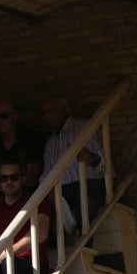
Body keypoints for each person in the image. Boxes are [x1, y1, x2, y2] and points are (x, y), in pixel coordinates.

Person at [40, 95, 105, 234]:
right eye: (44, 112)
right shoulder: (50, 143)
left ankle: (85, 245)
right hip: (63, 191)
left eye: (50, 110)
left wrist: (92, 158)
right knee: (43, 210)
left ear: (64, 109)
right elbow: (46, 175)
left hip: (89, 185)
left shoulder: (85, 127)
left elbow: (105, 163)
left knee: (85, 203)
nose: (46, 116)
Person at [0, 102, 44, 194]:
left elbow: (32, 177)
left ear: (15, 118)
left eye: (4, 116)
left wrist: (12, 187)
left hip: (29, 197)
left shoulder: (31, 140)